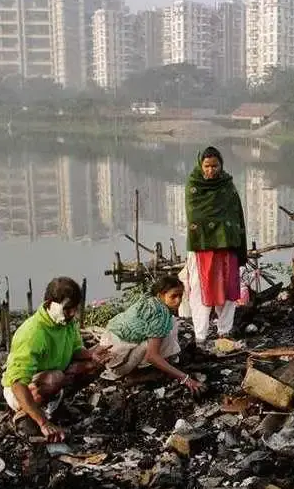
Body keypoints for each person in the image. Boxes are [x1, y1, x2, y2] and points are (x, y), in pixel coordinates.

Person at [2, 277, 111, 441]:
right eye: (67, 309)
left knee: (93, 366)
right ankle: (26, 413)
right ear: (49, 304)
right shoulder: (33, 333)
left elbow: (75, 350)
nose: (72, 314)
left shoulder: (66, 323)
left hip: (53, 375)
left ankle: (54, 405)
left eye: (74, 309)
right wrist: (43, 423)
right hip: (20, 391)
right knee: (55, 378)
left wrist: (91, 354)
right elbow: (17, 384)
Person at [180, 147, 247, 342]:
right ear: (200, 165)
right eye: (207, 166)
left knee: (228, 288)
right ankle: (200, 335)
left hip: (227, 247)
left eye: (215, 166)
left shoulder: (227, 185)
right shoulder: (194, 186)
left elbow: (236, 215)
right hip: (203, 247)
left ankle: (224, 331)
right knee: (200, 290)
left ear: (221, 165)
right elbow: (196, 216)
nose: (211, 170)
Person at [98, 276, 203, 394]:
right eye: (173, 296)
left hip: (109, 353)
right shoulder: (160, 315)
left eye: (180, 296)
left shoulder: (148, 299)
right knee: (165, 334)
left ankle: (139, 370)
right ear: (160, 296)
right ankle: (135, 375)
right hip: (117, 365)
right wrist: (185, 378)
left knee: (168, 326)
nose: (178, 301)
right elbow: (151, 356)